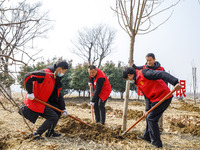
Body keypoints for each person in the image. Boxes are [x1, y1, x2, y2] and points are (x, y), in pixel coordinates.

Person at [123, 67, 181, 148]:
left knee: (152, 118)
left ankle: (156, 144)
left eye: (127, 79)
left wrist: (175, 82)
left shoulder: (145, 73)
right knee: (148, 115)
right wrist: (147, 110)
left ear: (130, 75)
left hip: (164, 97)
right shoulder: (137, 81)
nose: (129, 80)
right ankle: (147, 137)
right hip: (154, 99)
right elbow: (146, 96)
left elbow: (162, 74)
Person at [19, 61, 69, 140]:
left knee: (57, 112)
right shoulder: (45, 73)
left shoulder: (55, 79)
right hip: (34, 101)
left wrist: (63, 108)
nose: (63, 74)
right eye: (64, 71)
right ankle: (36, 134)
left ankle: (50, 133)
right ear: (59, 69)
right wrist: (30, 92)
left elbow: (58, 95)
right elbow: (28, 76)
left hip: (42, 101)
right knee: (53, 116)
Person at [133, 53, 166, 133]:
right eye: (147, 60)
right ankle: (148, 130)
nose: (148, 62)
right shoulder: (144, 68)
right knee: (149, 112)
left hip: (159, 94)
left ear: (154, 60)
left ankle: (160, 128)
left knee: (158, 112)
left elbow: (165, 80)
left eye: (150, 60)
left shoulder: (161, 69)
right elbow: (136, 68)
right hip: (150, 94)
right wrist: (132, 64)